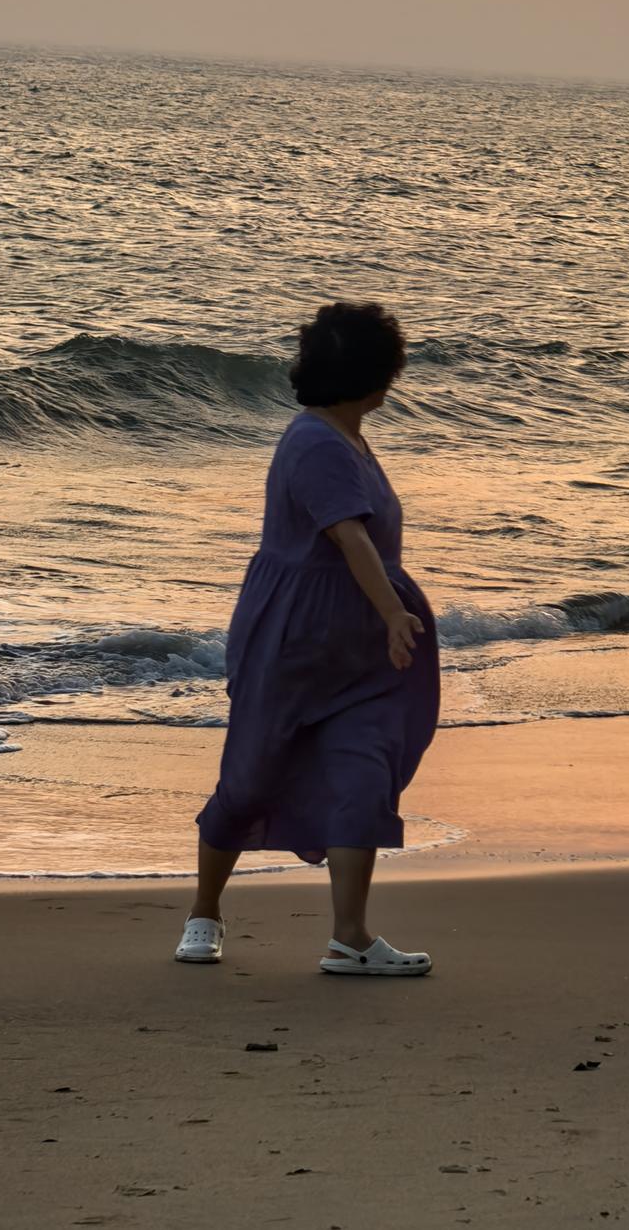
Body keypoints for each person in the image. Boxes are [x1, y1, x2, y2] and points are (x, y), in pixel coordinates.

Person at [174, 300, 441, 975]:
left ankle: (349, 936)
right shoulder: (315, 442)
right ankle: (204, 913)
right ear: (373, 377)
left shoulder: (345, 434)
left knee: (364, 769)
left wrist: (385, 618)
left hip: (359, 644)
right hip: (297, 636)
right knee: (252, 774)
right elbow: (347, 535)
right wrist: (392, 612)